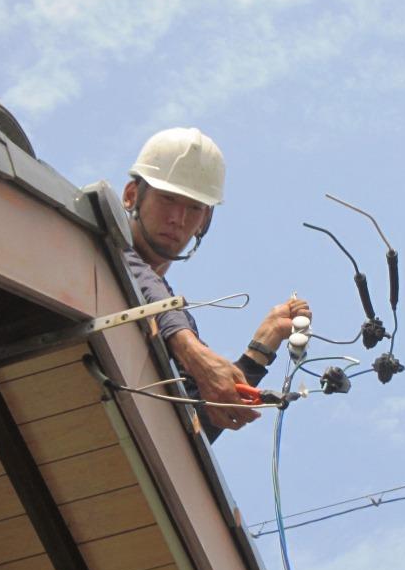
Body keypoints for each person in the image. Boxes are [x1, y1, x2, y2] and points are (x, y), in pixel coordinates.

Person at [121, 126, 311, 441]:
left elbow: (195, 428)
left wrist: (262, 346)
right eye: (168, 199)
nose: (178, 218)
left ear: (205, 220)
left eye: (194, 207)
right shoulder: (96, 242)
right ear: (131, 195)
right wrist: (190, 350)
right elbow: (130, 270)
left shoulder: (176, 318)